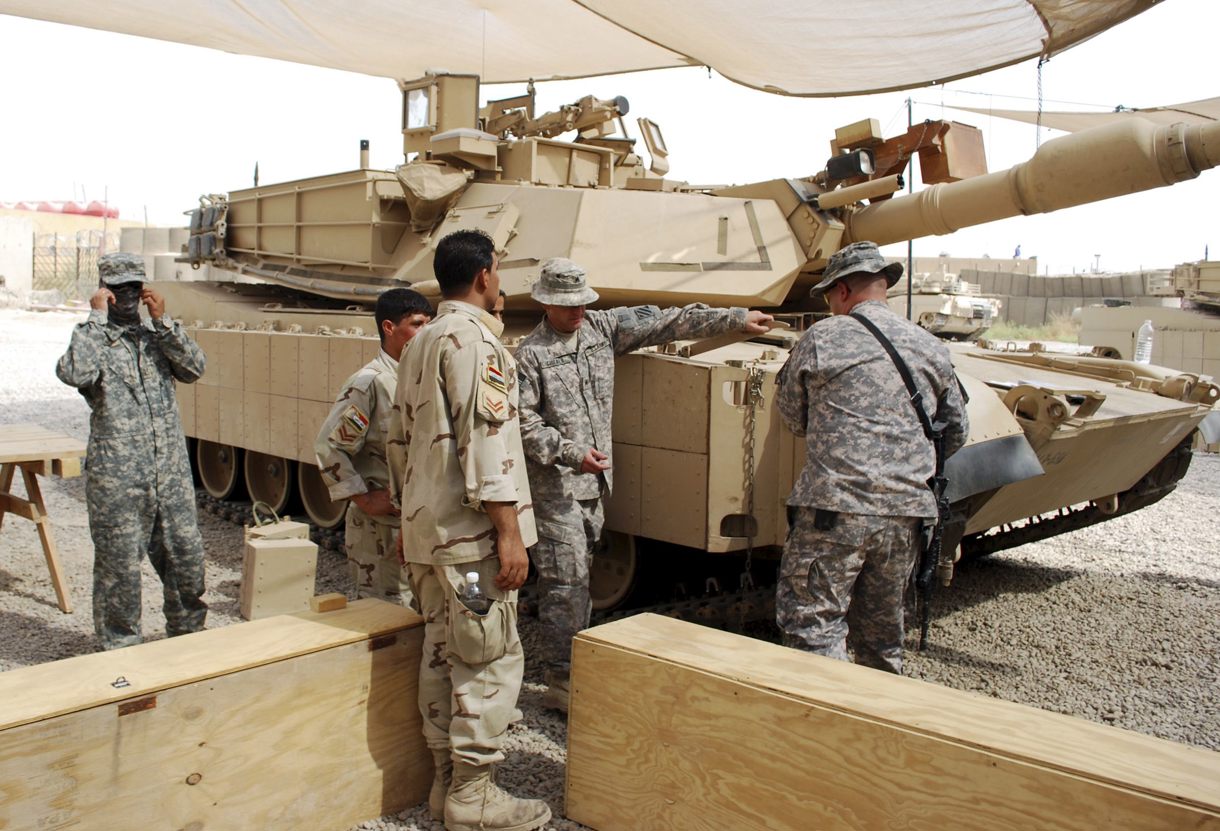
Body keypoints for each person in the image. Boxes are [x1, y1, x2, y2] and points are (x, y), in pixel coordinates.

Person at [515, 257, 773, 711]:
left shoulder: (602, 328)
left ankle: (573, 661)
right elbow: (524, 421)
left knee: (581, 578)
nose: (577, 312)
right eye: (567, 305)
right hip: (556, 487)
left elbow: (667, 320)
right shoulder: (531, 353)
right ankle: (562, 680)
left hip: (595, 489)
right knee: (566, 582)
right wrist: (573, 453)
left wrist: (735, 318)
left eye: (581, 303)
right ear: (545, 304)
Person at [391, 230, 549, 831]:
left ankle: (443, 786)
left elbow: (399, 442)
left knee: (439, 652)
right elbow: (488, 444)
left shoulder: (421, 340)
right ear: (485, 274)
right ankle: (474, 795)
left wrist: (412, 525)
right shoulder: (477, 342)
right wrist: (508, 534)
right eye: (500, 270)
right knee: (488, 659)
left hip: (430, 536)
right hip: (471, 544)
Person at [774, 241, 968, 675]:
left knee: (813, 629)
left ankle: (823, 727)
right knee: (883, 638)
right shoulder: (930, 346)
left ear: (841, 291)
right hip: (906, 517)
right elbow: (954, 430)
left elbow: (792, 416)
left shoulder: (822, 337)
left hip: (835, 512)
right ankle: (880, 728)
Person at [56, 252, 208, 651]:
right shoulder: (93, 338)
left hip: (170, 478)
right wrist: (95, 320)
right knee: (120, 576)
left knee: (187, 565)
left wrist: (162, 323)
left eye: (133, 287)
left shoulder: (157, 337)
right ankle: (120, 657)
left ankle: (189, 646)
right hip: (119, 484)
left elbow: (195, 368)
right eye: (118, 288)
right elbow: (74, 373)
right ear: (104, 290)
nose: (126, 296)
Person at [315, 288, 432, 605]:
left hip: (420, 527)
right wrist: (363, 498)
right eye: (418, 324)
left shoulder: (424, 379)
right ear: (389, 328)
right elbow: (330, 446)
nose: (426, 332)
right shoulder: (370, 383)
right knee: (386, 617)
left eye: (429, 323)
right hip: (381, 532)